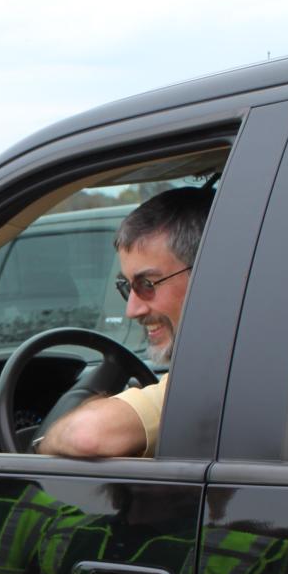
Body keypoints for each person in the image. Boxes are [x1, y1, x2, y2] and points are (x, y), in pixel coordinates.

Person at [34, 186, 212, 458]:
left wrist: (42, 442)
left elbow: (85, 435)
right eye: (126, 286)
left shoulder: (217, 376)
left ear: (206, 273)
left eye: (147, 284)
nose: (132, 309)